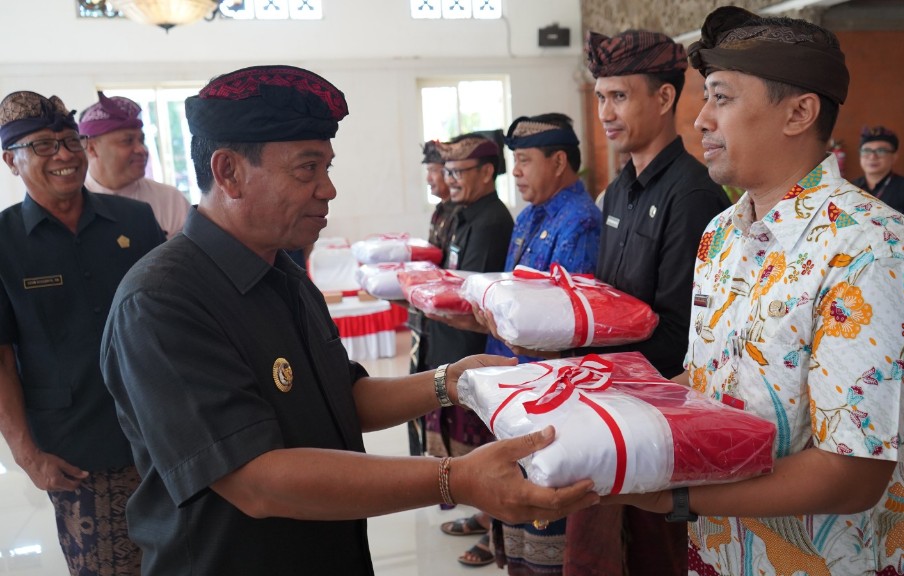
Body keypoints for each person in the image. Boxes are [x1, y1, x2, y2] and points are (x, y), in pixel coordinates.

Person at [99, 65, 595, 576]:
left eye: (327, 167)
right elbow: (256, 480)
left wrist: (454, 381)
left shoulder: (283, 273)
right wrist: (455, 478)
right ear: (228, 172)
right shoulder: (163, 300)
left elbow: (343, 398)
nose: (328, 189)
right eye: (307, 169)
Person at [611, 8, 904, 575]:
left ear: (799, 113)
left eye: (721, 98)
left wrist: (675, 498)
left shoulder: (873, 248)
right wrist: (613, 414)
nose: (701, 120)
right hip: (718, 554)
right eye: (705, 99)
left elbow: (852, 475)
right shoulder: (721, 235)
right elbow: (706, 380)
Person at [550, 30, 732, 576]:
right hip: (607, 404)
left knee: (655, 556)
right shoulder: (620, 188)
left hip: (656, 418)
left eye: (619, 96)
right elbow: (606, 303)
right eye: (600, 97)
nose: (605, 113)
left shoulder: (692, 193)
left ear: (665, 97)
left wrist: (591, 375)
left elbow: (681, 333)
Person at [0, 90, 166, 575]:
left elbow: (172, 320)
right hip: (77, 451)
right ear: (11, 160)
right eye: (43, 145)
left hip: (162, 432)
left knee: (187, 558)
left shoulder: (135, 222)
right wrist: (28, 456)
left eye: (71, 141)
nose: (64, 155)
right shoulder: (5, 243)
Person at [435, 113, 603, 571]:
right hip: (514, 376)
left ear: (559, 161)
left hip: (549, 386)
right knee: (511, 491)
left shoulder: (581, 221)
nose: (518, 173)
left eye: (525, 161)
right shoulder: (528, 216)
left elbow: (565, 324)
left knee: (542, 501)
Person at [421, 131, 514, 566]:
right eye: (449, 171)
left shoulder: (492, 220)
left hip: (473, 347)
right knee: (466, 446)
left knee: (483, 447)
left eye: (460, 171)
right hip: (450, 340)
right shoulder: (462, 213)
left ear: (487, 172)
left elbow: (469, 294)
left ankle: (494, 524)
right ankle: (484, 514)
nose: (451, 179)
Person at [406, 140, 462, 456]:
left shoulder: (461, 214)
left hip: (447, 323)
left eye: (434, 171)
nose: (429, 179)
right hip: (427, 320)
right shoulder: (441, 211)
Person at [79, 92, 190, 238]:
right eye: (127, 141)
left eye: (141, 140)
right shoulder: (73, 204)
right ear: (92, 148)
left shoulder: (170, 200)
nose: (141, 150)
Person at [852, 125, 904, 242]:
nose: (872, 156)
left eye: (881, 151)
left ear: (894, 156)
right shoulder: (850, 189)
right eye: (866, 150)